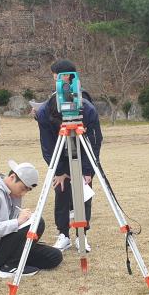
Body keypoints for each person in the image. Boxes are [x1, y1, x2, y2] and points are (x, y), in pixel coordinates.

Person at [35, 60, 103, 252]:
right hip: (61, 157)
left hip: (83, 154)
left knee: (84, 195)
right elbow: (47, 145)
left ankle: (82, 236)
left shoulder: (87, 109)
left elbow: (95, 141)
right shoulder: (45, 111)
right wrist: (59, 171)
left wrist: (88, 170)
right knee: (62, 192)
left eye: (57, 75)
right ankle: (63, 235)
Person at [0, 160, 63, 278]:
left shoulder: (12, 193)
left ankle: (2, 265)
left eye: (27, 190)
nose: (23, 193)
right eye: (23, 188)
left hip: (6, 243)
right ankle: (9, 267)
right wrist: (18, 221)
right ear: (12, 177)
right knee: (38, 222)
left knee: (54, 257)